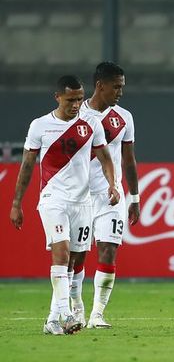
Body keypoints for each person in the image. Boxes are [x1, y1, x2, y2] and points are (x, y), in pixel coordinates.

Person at [9, 75, 119, 335]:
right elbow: (26, 167)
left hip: (83, 201)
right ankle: (67, 314)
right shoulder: (40, 126)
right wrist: (16, 203)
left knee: (75, 261)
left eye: (80, 99)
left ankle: (52, 319)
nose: (76, 104)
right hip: (53, 199)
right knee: (61, 252)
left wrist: (112, 184)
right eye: (71, 100)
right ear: (57, 97)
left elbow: (105, 159)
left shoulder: (91, 123)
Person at [68, 62, 140, 329]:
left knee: (108, 250)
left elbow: (129, 159)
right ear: (100, 85)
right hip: (80, 198)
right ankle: (77, 307)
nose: (120, 92)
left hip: (111, 195)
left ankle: (97, 314)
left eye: (122, 86)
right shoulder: (76, 115)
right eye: (116, 86)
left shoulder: (124, 118)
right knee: (77, 256)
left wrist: (134, 197)